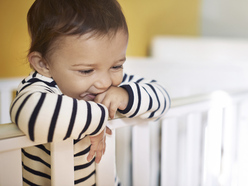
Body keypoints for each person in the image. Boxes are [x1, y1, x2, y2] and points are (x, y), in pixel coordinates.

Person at [10, 0, 170, 185]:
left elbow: (163, 98)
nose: (104, 82)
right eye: (86, 71)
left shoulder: (115, 86)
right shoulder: (40, 87)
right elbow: (33, 117)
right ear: (44, 64)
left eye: (116, 66)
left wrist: (126, 97)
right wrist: (98, 118)